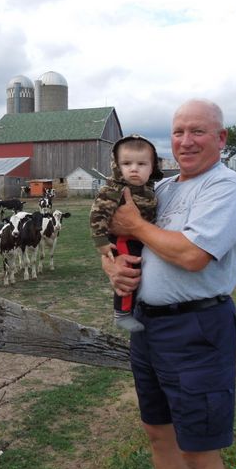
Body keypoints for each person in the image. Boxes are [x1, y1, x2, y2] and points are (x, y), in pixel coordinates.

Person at [102, 99, 236, 469]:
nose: (185, 142)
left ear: (220, 138)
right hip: (148, 326)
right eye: (178, 132)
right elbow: (117, 237)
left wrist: (135, 226)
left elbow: (191, 255)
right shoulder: (164, 189)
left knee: (199, 451)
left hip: (197, 328)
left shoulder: (226, 188)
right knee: (158, 431)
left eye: (198, 131)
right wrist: (113, 268)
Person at [89, 134, 163, 332]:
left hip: (143, 238)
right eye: (127, 163)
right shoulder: (115, 190)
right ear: (117, 166)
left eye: (141, 164)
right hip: (123, 239)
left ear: (152, 167)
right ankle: (121, 313)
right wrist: (101, 242)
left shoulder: (150, 188)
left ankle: (134, 307)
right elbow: (98, 214)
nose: (134, 168)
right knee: (128, 272)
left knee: (141, 273)